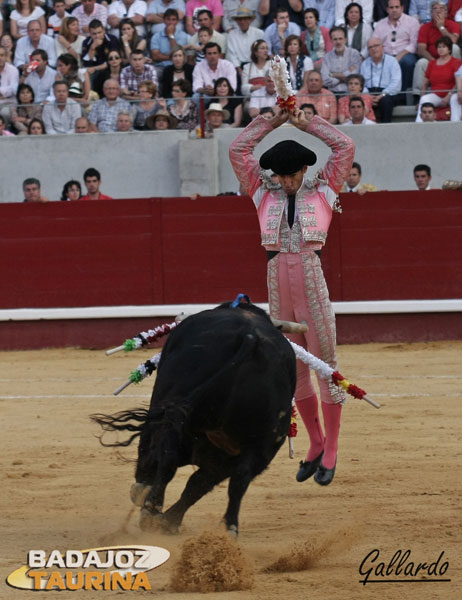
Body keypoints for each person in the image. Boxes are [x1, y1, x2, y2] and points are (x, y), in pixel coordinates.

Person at [229, 107, 355, 486]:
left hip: (311, 278)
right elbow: (238, 150)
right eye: (280, 175)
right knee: (293, 368)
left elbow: (344, 145)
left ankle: (331, 447)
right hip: (276, 282)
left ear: (304, 170)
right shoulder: (261, 190)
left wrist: (306, 123)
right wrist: (272, 120)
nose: (284, 182)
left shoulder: (325, 187)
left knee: (325, 364)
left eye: (291, 174)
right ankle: (315, 443)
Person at [373, 0, 420, 97]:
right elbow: (375, 42)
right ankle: (383, 94)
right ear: (387, 9)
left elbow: (414, 44)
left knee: (408, 62)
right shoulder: (380, 24)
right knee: (377, 62)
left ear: (402, 8)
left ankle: (403, 95)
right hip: (385, 55)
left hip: (405, 54)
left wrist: (400, 55)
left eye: (397, 7)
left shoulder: (412, 22)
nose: (394, 10)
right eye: (391, 7)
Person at [413, 0, 460, 92]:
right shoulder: (424, 27)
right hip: (432, 60)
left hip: (450, 61)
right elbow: (421, 50)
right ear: (431, 13)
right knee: (421, 63)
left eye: (441, 9)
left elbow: (453, 41)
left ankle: (458, 88)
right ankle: (417, 96)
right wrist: (434, 62)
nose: (438, 11)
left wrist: (441, 27)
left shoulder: (453, 25)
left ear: (446, 13)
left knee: (455, 48)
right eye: (435, 9)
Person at [415, 36, 462, 120]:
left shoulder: (456, 62)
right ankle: (418, 126)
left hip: (452, 94)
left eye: (444, 47)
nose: (441, 49)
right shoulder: (432, 63)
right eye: (439, 47)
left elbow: (457, 82)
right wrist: (420, 101)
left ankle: (455, 125)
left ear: (449, 49)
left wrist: (448, 96)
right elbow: (425, 84)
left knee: (455, 99)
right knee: (424, 99)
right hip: (437, 95)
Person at [360, 38, 402, 122]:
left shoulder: (392, 61)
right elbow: (361, 84)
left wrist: (382, 95)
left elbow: (396, 83)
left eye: (376, 46)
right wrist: (368, 96)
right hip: (370, 92)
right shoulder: (365, 64)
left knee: (385, 101)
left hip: (388, 92)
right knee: (359, 101)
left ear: (382, 47)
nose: (373, 49)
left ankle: (385, 129)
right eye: (370, 47)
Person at [320, 26, 361, 94]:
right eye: (335, 39)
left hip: (350, 93)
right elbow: (324, 80)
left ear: (345, 40)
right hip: (332, 94)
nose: (338, 42)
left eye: (340, 39)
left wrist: (332, 74)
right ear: (331, 41)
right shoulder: (327, 57)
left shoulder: (354, 53)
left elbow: (354, 76)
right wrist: (344, 77)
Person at [225, 7, 264, 78]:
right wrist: (239, 70)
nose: (242, 22)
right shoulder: (232, 35)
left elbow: (262, 52)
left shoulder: (259, 33)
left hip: (256, 64)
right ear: (237, 21)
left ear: (250, 20)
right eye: (240, 19)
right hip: (238, 66)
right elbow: (232, 55)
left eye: (245, 19)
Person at [150, 9, 188, 74]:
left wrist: (171, 35)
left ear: (177, 21)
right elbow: (155, 56)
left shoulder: (183, 35)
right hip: (161, 67)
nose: (170, 22)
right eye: (168, 19)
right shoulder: (156, 36)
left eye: (173, 19)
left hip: (179, 67)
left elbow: (176, 51)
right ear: (164, 20)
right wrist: (173, 57)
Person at [0, 47, 19, 119]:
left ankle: (5, 130)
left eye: (2, 55)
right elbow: (9, 89)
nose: (0, 58)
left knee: (5, 113)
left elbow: (13, 90)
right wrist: (5, 91)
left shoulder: (13, 70)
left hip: (8, 102)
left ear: (6, 57)